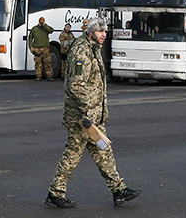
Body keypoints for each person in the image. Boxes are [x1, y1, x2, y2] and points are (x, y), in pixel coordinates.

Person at [45, 17, 141, 208]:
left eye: (105, 31)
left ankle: (118, 190)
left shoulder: (92, 48)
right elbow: (77, 85)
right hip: (82, 118)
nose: (103, 34)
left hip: (92, 117)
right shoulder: (82, 51)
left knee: (104, 150)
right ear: (90, 33)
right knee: (73, 154)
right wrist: (88, 113)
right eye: (100, 31)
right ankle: (55, 193)